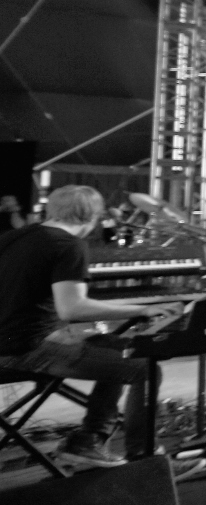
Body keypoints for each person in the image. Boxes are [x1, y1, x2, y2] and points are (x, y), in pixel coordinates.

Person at [0, 186, 188, 468]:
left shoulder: (13, 237)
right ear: (94, 216)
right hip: (25, 348)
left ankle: (89, 440)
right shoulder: (68, 245)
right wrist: (142, 309)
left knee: (122, 348)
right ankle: (145, 458)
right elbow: (72, 308)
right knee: (145, 369)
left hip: (10, 340)